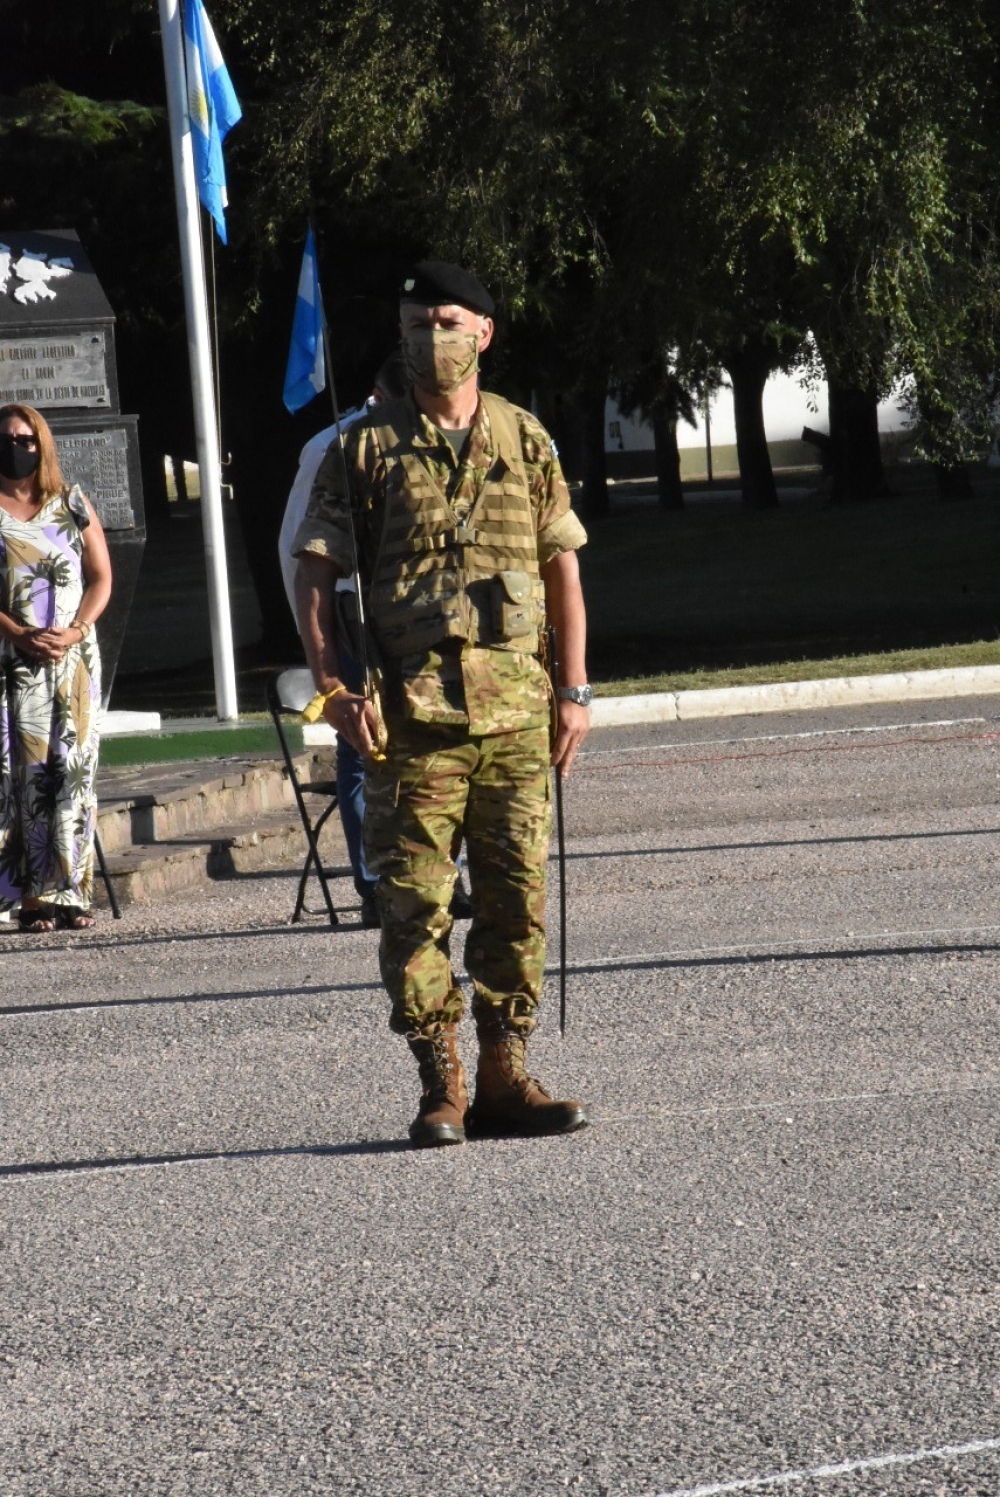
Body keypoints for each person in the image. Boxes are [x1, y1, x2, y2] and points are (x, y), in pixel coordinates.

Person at [294, 259, 592, 1147]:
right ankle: (443, 1085)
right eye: (417, 321)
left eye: (449, 320)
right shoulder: (364, 447)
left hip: (516, 718)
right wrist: (334, 687)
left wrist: (574, 691)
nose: (432, 337)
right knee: (414, 908)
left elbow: (562, 568)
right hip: (410, 724)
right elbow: (314, 574)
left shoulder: (525, 438)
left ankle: (506, 1075)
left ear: (484, 332)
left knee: (516, 900)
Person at [279, 353, 408, 928]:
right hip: (353, 612)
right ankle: (375, 882)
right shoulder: (330, 447)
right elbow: (300, 551)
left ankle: (442, 875)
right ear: (376, 396)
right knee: (362, 746)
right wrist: (319, 639)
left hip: (419, 617)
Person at [0, 403, 112, 931]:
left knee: (72, 772)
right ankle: (26, 898)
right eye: (6, 438)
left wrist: (77, 629)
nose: (16, 447)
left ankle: (69, 892)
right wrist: (19, 633)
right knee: (19, 775)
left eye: (25, 438)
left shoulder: (72, 502)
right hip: (11, 662)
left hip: (72, 661)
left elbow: (100, 577)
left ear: (42, 444)